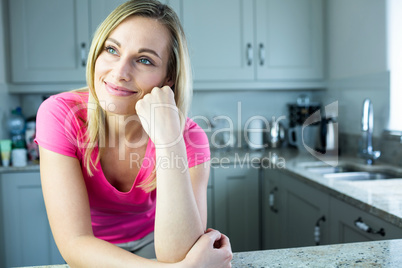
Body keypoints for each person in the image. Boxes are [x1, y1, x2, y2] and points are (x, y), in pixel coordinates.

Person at [35, 0, 232, 267]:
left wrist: (168, 141)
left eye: (144, 60)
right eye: (112, 49)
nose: (119, 72)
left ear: (168, 78)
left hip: (156, 247)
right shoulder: (60, 114)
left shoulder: (189, 137)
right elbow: (75, 243)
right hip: (94, 253)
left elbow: (178, 254)